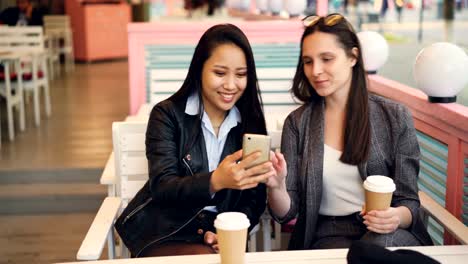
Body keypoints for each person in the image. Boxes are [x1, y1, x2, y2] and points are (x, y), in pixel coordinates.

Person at [266, 14, 433, 250]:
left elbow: (409, 201)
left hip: (388, 233)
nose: (315, 71)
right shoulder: (298, 123)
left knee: (378, 246)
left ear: (353, 57)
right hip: (327, 235)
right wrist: (276, 187)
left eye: (327, 59)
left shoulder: (394, 117)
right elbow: (286, 212)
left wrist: (395, 216)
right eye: (308, 61)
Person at [114, 23, 275, 258]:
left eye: (241, 75)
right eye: (220, 73)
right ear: (199, 69)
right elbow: (162, 187)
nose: (231, 85)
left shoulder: (249, 122)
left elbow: (254, 197)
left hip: (221, 234)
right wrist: (215, 180)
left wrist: (232, 229)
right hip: (167, 231)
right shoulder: (167, 115)